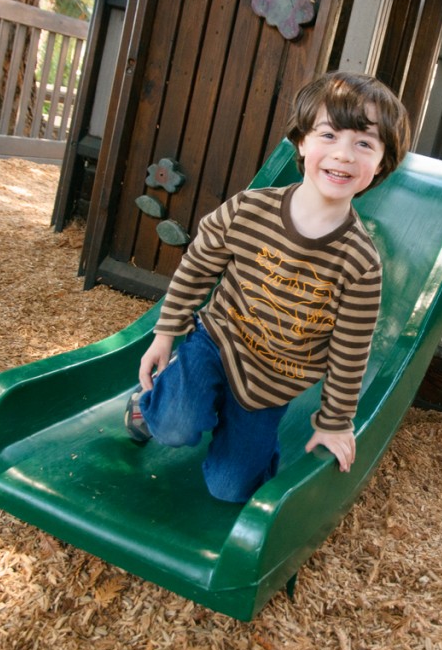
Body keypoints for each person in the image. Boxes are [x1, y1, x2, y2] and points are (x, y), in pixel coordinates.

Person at [123, 71, 411, 503]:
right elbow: (197, 267)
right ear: (301, 142)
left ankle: (241, 436)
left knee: (231, 489)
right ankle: (150, 406)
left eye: (364, 143)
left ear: (382, 163)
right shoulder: (248, 210)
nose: (344, 154)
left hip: (274, 381)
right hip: (218, 341)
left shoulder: (360, 263)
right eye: (329, 134)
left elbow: (350, 349)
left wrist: (335, 422)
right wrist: (166, 333)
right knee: (175, 426)